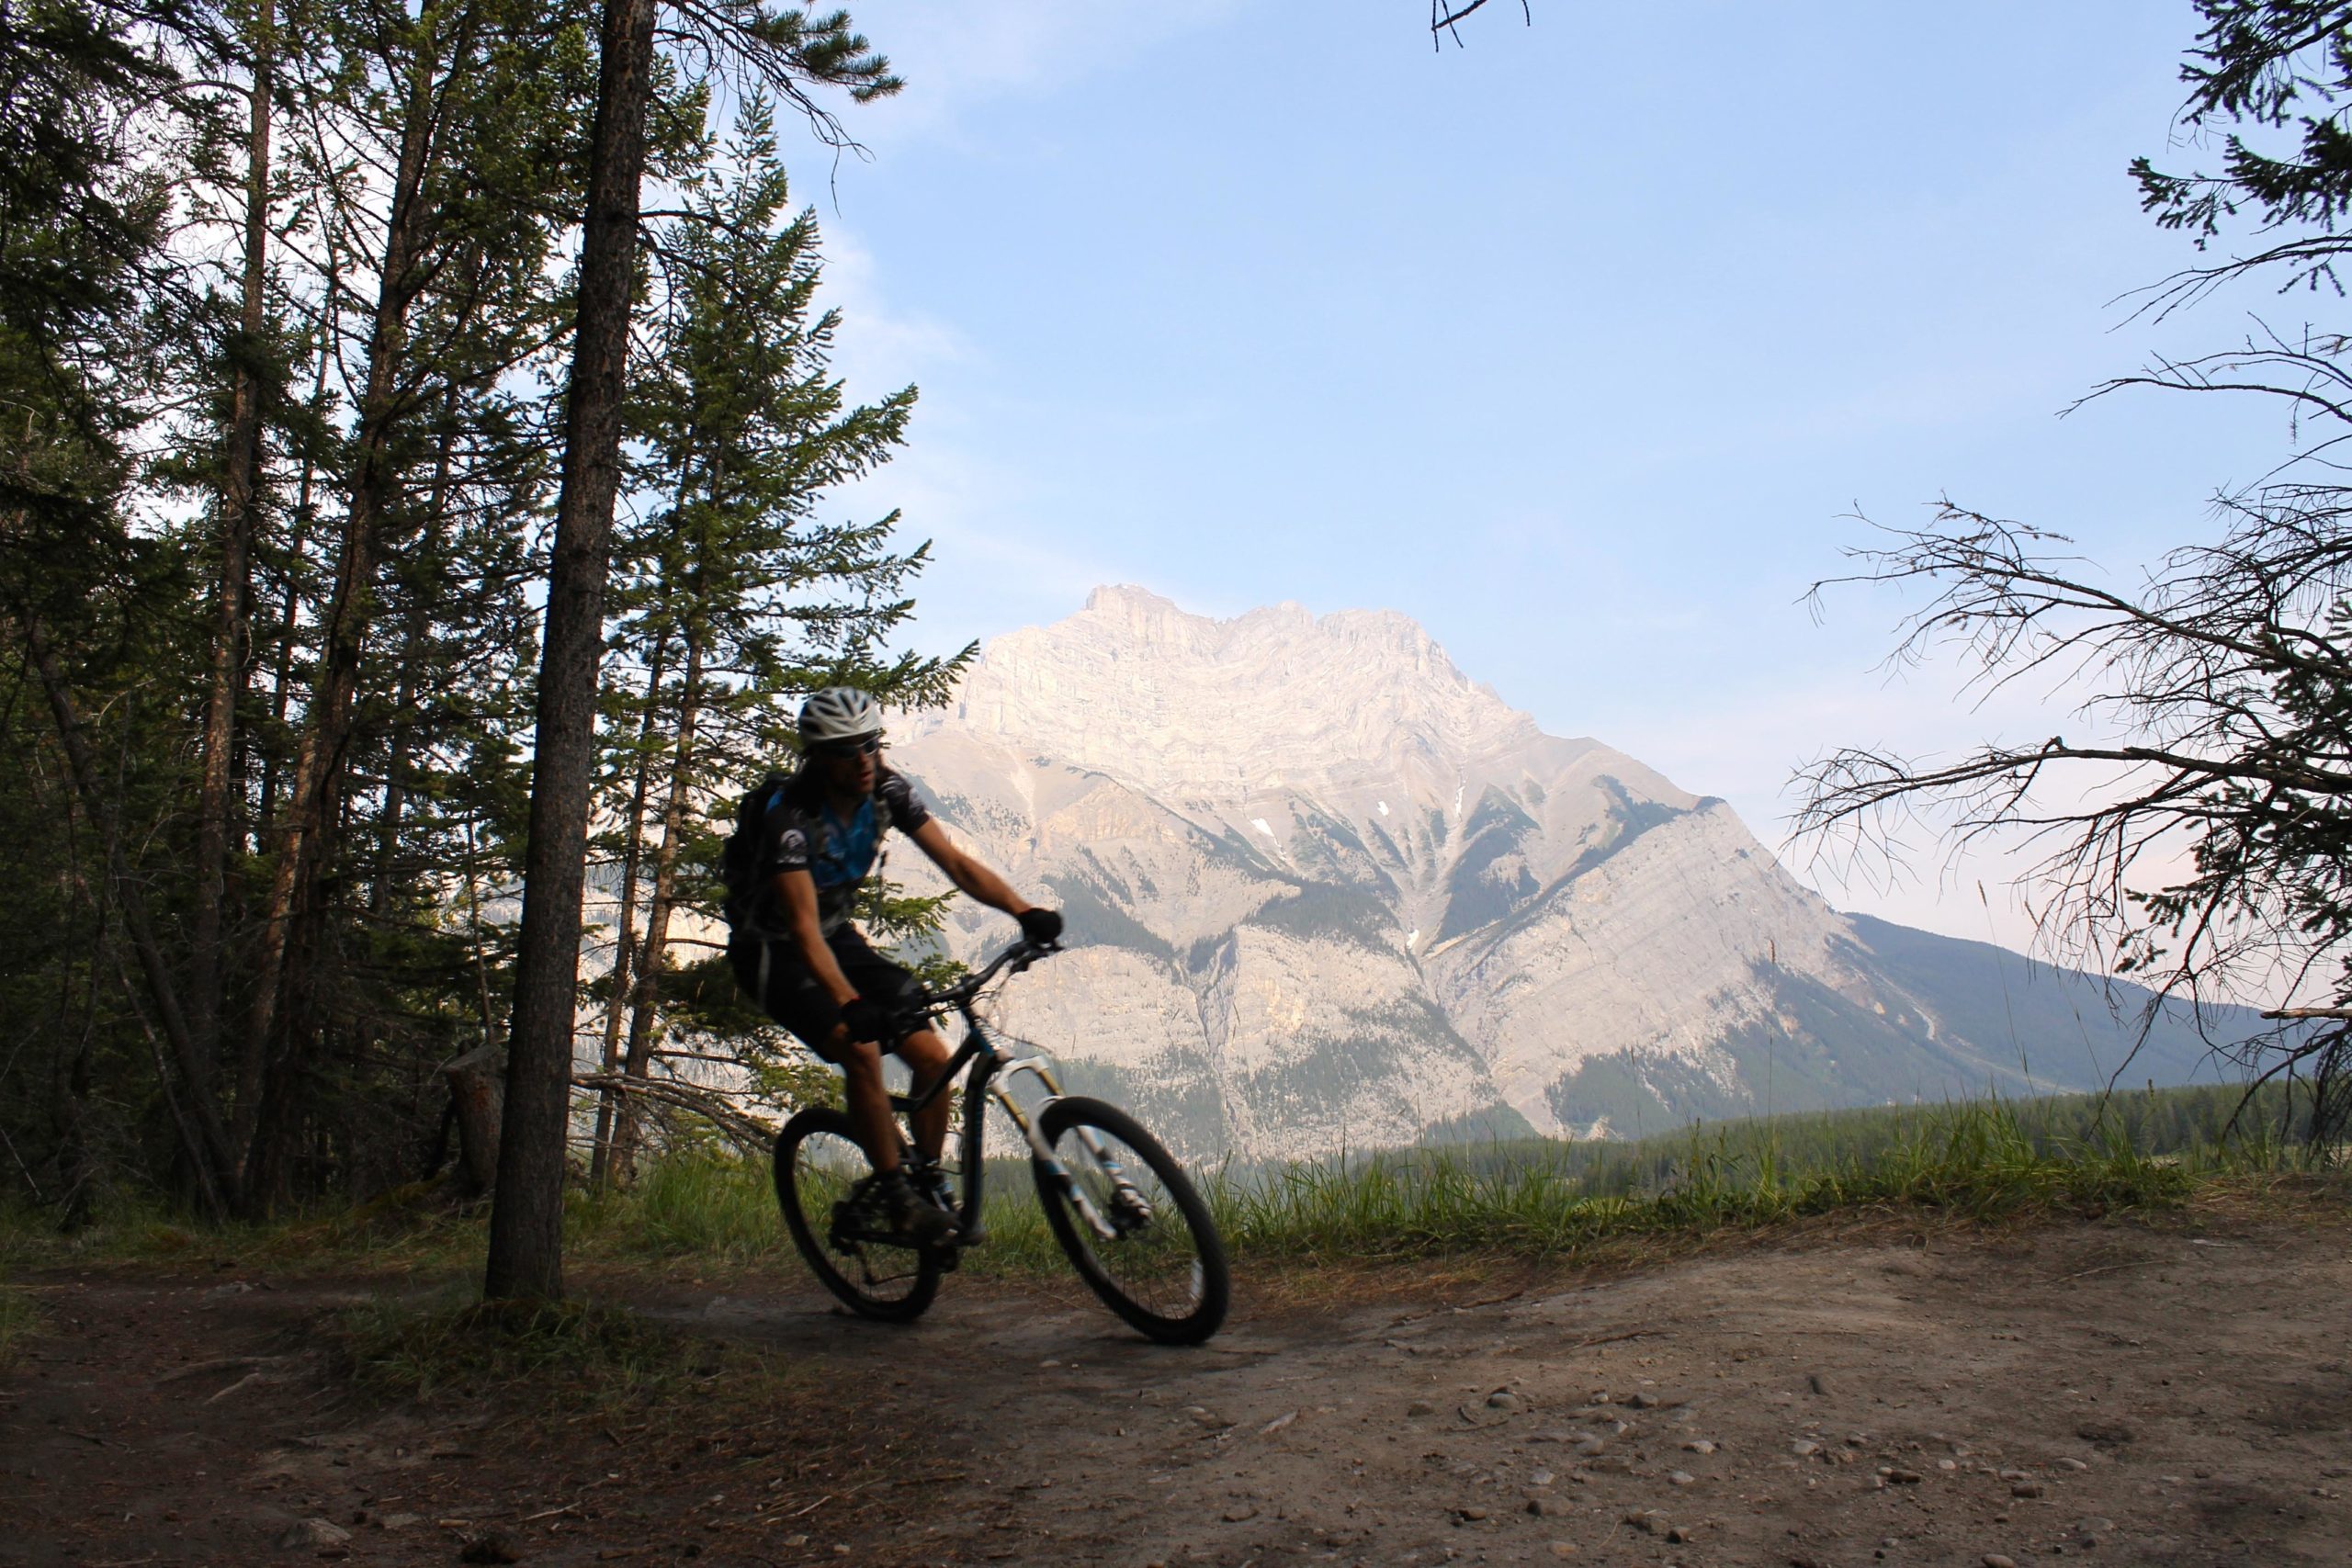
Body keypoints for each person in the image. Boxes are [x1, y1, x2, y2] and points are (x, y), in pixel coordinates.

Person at [729, 686, 1062, 1245]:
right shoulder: (790, 819)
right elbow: (804, 929)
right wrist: (851, 1004)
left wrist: (1023, 910)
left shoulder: (887, 791)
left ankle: (925, 1183)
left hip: (836, 938)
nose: (863, 760)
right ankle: (895, 1198)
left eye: (870, 744)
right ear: (818, 756)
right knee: (860, 1049)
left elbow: (955, 862)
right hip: (773, 952)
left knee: (932, 1054)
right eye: (847, 750)